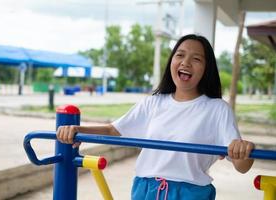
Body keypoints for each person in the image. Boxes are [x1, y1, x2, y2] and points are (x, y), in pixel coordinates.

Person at [57, 34, 255, 200]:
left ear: (207, 69)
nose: (185, 62)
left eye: (196, 59)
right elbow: (113, 129)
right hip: (145, 191)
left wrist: (245, 150)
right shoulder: (154, 102)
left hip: (190, 193)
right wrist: (78, 131)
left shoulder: (217, 109)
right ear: (172, 62)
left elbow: (242, 166)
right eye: (180, 55)